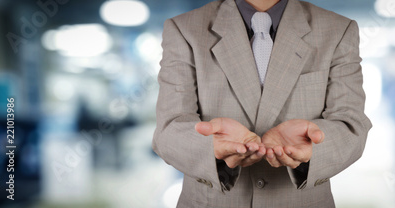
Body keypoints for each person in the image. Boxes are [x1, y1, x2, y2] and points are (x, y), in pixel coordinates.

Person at [152, 0, 372, 207]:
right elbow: (168, 129)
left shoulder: (338, 29)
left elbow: (351, 124)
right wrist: (210, 148)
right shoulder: (184, 29)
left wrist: (315, 145)